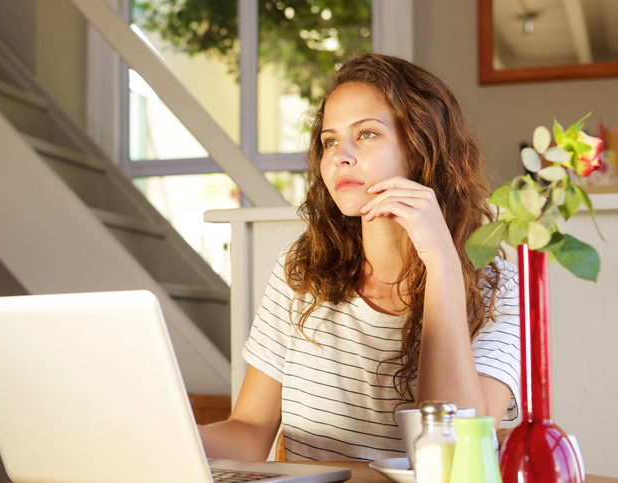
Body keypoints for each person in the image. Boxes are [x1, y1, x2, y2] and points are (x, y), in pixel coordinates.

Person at [199, 53, 520, 462]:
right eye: (330, 140)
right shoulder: (302, 268)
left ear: (422, 146)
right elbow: (250, 431)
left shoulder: (499, 286)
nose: (339, 156)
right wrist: (168, 432)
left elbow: (454, 455)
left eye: (366, 134)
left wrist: (442, 262)